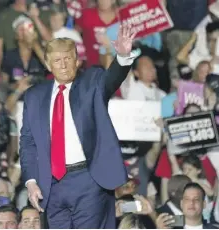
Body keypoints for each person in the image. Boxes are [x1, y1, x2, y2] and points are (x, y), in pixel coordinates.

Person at [20, 24, 138, 228]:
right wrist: (31, 182)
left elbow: (111, 79)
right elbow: (28, 142)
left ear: (77, 61)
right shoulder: (34, 96)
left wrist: (122, 57)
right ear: (48, 65)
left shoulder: (91, 83)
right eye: (57, 60)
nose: (64, 65)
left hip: (88, 181)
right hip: (50, 185)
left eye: (68, 59)